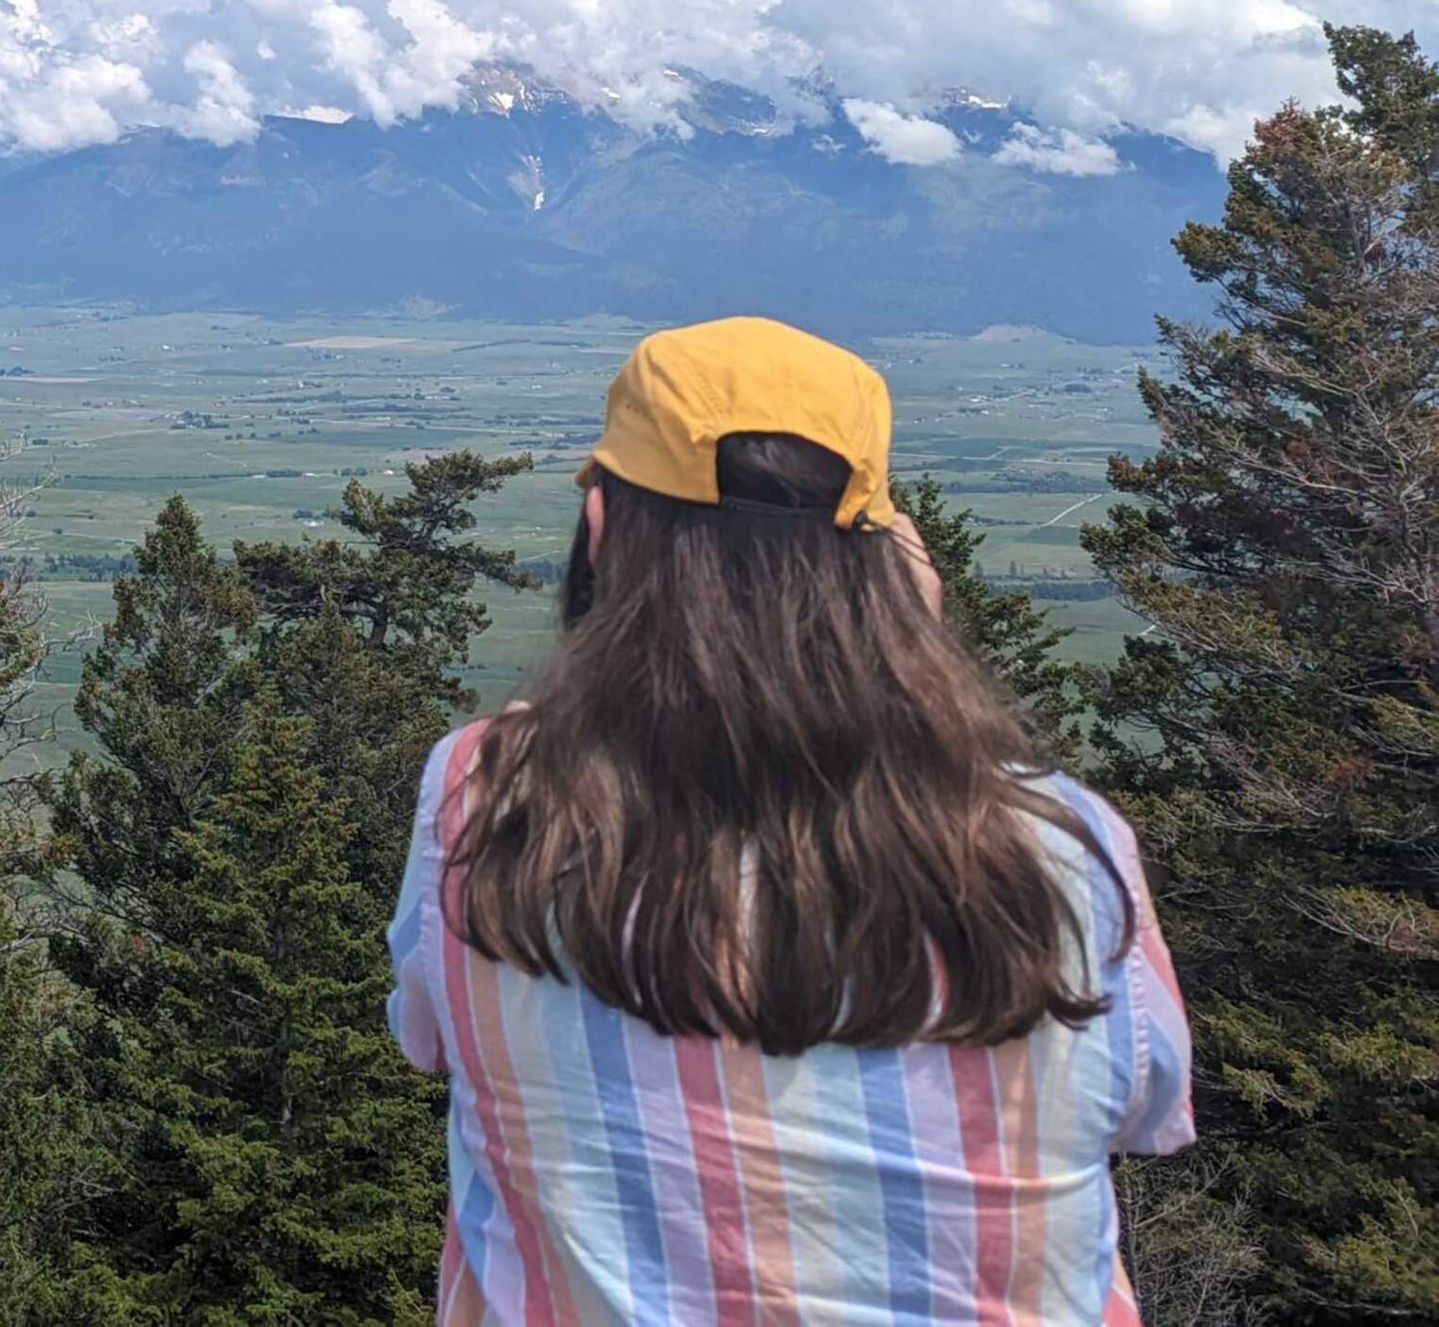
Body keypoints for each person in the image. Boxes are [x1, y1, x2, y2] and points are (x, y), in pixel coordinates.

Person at [387, 317, 1192, 1327]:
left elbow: (427, 1031)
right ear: (887, 556)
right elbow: (1146, 1104)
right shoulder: (1060, 845)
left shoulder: (486, 794)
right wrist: (915, 671)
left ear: (601, 525)